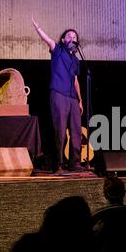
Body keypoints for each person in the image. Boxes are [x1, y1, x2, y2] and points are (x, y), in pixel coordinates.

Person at [32, 16, 84, 172]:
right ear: (63, 39)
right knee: (60, 130)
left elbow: (75, 81)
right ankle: (59, 163)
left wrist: (80, 100)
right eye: (69, 36)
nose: (72, 38)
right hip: (59, 94)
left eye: (74, 37)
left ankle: (75, 163)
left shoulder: (76, 60)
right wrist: (38, 28)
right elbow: (47, 40)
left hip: (72, 98)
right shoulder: (58, 51)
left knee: (76, 130)